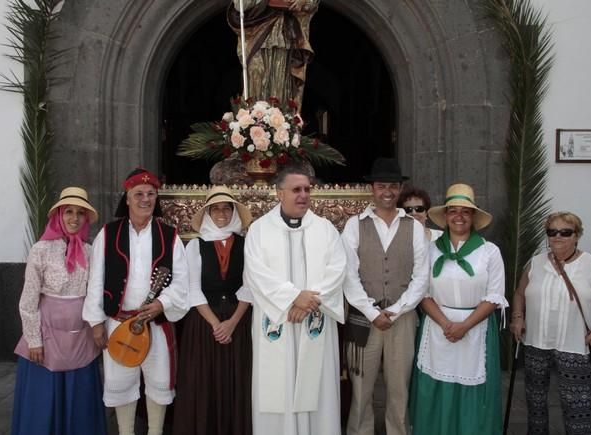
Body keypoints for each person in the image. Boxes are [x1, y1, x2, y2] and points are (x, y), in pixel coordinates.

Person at [83, 168, 189, 435]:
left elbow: (181, 282)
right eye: (138, 194)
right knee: (120, 384)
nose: (145, 199)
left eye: (151, 194)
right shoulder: (108, 233)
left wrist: (162, 304)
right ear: (127, 198)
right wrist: (96, 323)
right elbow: (96, 279)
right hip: (117, 324)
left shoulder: (169, 235)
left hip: (156, 325)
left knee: (159, 382)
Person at [243, 164, 346, 435]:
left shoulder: (325, 230)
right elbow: (256, 274)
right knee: (278, 389)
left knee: (317, 391)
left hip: (315, 321)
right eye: (296, 190)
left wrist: (308, 302)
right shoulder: (259, 230)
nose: (303, 195)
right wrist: (292, 298)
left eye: (307, 190)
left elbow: (337, 271)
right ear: (279, 193)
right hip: (278, 323)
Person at [409, 183, 508, 435]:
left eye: (465, 211)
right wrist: (445, 324)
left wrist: (464, 326)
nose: (459, 217)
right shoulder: (430, 250)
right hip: (437, 326)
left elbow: (494, 295)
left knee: (473, 390)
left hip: (475, 328)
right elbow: (421, 291)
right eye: (453, 211)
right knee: (436, 385)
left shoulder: (489, 252)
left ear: (473, 216)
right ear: (445, 216)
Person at [342, 158, 429, 435]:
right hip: (362, 318)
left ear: (400, 189)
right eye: (382, 186)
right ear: (372, 189)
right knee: (361, 388)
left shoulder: (414, 227)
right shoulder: (355, 225)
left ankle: (398, 431)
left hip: (401, 319)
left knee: (399, 387)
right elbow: (348, 275)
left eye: (393, 186)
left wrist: (397, 310)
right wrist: (371, 311)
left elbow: (421, 277)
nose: (387, 191)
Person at [11, 187, 107, 435]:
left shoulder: (90, 251)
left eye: (80, 213)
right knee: (45, 398)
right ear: (58, 216)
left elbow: (95, 291)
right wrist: (34, 340)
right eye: (69, 212)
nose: (74, 218)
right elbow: (29, 299)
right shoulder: (40, 250)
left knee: (80, 396)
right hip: (47, 338)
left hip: (80, 338)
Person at [510, 211, 591, 435]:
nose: (557, 236)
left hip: (574, 347)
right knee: (535, 404)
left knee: (577, 409)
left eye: (565, 232)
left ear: (577, 235)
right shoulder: (536, 262)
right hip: (535, 344)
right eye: (552, 232)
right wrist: (517, 318)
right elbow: (519, 293)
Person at [173, 186, 254, 435]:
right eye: (215, 208)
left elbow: (250, 286)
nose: (221, 213)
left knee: (236, 381)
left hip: (238, 320)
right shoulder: (195, 246)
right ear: (208, 212)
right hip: (204, 323)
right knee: (204, 381)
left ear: (233, 212)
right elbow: (192, 289)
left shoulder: (247, 244)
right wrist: (216, 324)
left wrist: (231, 322)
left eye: (226, 208)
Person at [228, 0, 319, 109]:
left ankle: (281, 119)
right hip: (257, 30)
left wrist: (302, 2)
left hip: (284, 32)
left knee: (281, 79)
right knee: (256, 73)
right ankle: (254, 117)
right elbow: (240, 5)